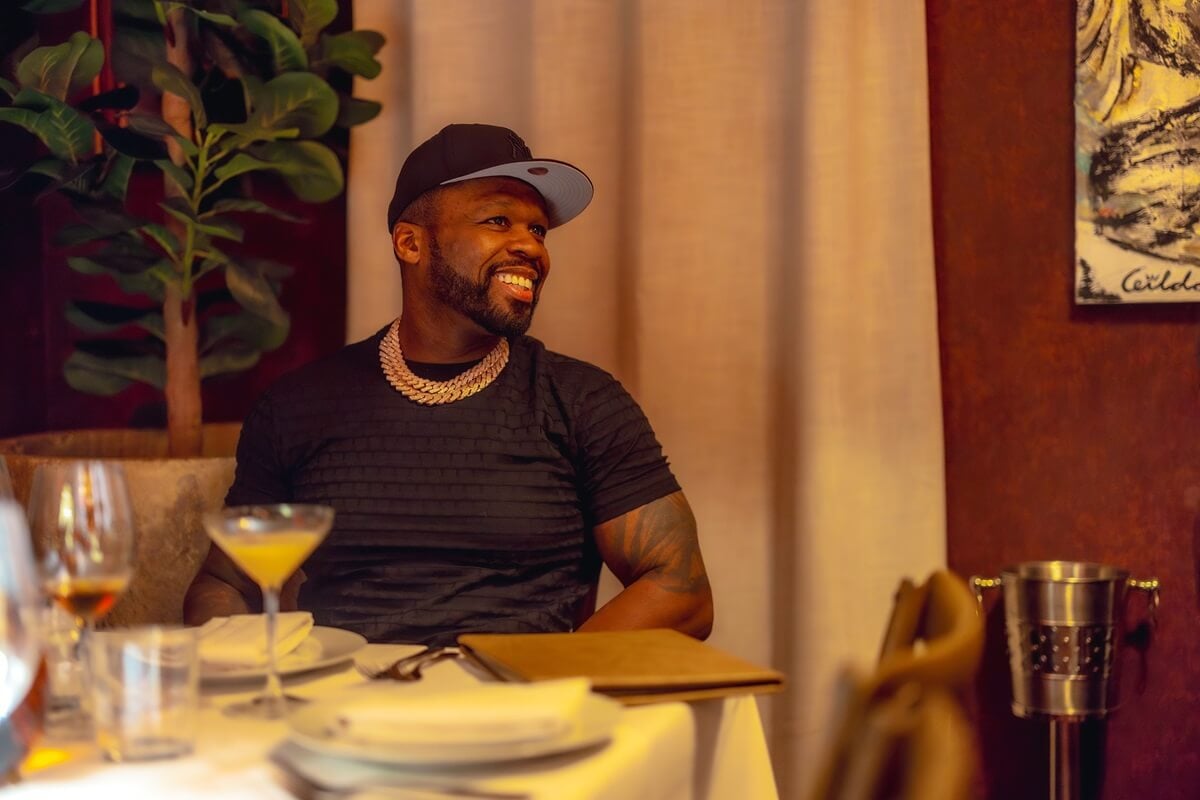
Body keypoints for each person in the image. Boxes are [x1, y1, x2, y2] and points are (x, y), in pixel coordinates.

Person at [183, 123, 713, 646]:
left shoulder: (583, 402)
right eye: (500, 220)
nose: (531, 247)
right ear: (411, 244)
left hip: (517, 711)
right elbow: (226, 583)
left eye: (538, 230)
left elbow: (680, 589)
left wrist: (547, 676)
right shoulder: (298, 406)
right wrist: (249, 672)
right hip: (345, 709)